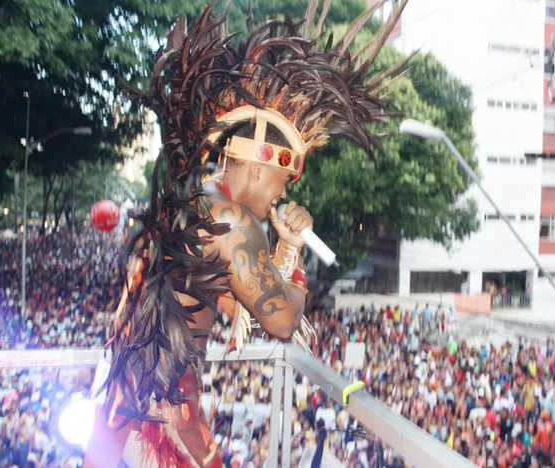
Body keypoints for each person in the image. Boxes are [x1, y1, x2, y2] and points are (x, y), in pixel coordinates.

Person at [83, 1, 406, 467]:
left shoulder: (193, 196)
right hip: (156, 420)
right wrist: (293, 263)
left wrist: (284, 251)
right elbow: (281, 323)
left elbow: (236, 299)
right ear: (261, 165)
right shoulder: (231, 218)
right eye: (286, 178)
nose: (284, 191)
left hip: (122, 403)